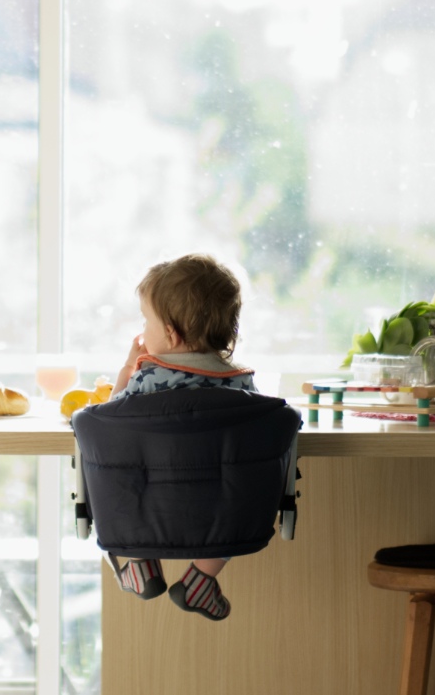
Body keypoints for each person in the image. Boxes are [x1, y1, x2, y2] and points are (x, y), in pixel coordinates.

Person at [107, 253, 256, 622]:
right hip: (222, 512)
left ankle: (142, 561)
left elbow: (110, 419)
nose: (143, 330)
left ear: (170, 334)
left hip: (152, 506)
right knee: (242, 500)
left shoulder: (148, 380)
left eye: (147, 321)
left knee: (124, 471)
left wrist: (128, 368)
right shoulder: (242, 384)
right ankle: (200, 578)